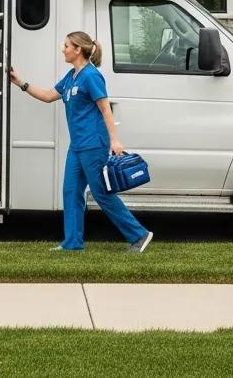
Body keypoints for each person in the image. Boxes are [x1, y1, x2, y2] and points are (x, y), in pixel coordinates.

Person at [10, 31, 153, 253]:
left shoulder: (91, 76)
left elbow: (105, 108)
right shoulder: (71, 76)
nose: (63, 49)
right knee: (71, 191)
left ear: (78, 50)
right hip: (77, 146)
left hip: (93, 144)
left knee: (101, 193)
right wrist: (21, 83)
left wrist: (115, 140)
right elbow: (49, 96)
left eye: (66, 46)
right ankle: (73, 243)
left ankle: (139, 235)